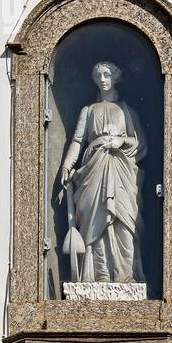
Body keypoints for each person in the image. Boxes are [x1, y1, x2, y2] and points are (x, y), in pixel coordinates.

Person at [58, 60, 146, 285]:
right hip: (94, 170)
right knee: (96, 223)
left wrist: (120, 140)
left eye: (106, 75)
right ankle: (99, 278)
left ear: (115, 77)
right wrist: (67, 165)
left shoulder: (128, 111)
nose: (103, 80)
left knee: (124, 223)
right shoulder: (88, 111)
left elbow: (140, 143)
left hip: (121, 171)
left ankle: (126, 276)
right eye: (98, 77)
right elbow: (77, 140)